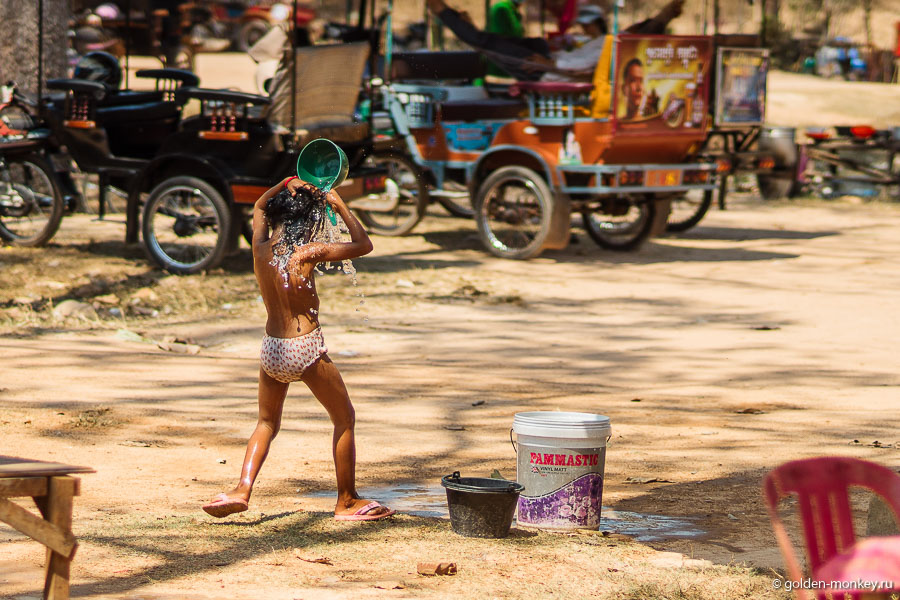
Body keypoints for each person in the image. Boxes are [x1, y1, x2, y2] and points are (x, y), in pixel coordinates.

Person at [202, 176, 395, 522]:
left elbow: (260, 204)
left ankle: (242, 490)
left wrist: (285, 182)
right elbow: (363, 244)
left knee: (266, 422)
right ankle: (346, 500)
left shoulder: (260, 250)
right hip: (303, 348)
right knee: (344, 419)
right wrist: (339, 204)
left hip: (271, 349)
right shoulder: (307, 252)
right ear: (307, 223)